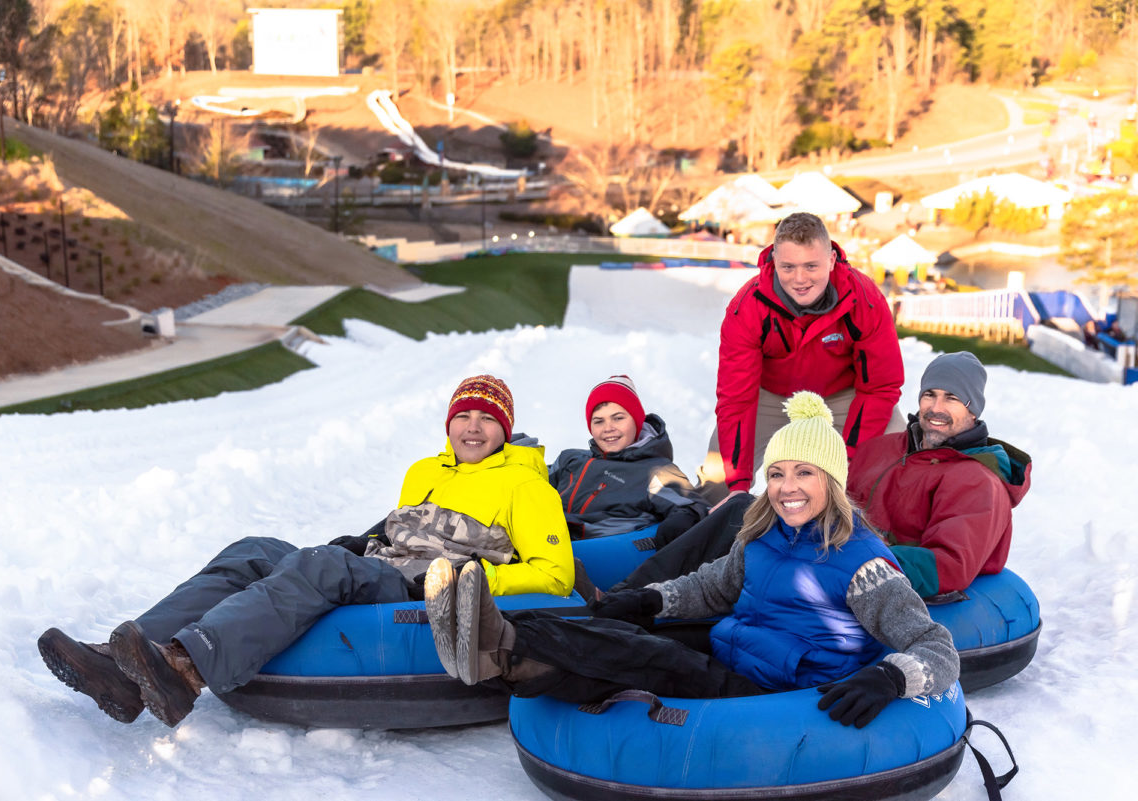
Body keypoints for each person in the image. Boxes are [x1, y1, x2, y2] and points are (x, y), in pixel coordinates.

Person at [37, 375, 574, 728]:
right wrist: (362, 545)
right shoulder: (424, 471)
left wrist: (465, 585)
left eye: (486, 419)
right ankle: (123, 665)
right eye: (464, 416)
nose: (473, 427)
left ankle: (183, 669)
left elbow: (555, 576)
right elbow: (397, 536)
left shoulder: (527, 487)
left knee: (322, 565)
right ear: (450, 423)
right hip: (384, 566)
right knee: (255, 550)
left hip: (426, 586)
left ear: (504, 429)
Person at [425, 392, 958, 729]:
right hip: (737, 651)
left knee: (657, 661)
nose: (787, 488)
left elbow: (936, 647)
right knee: (625, 637)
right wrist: (650, 598)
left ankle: (499, 644)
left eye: (804, 474)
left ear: (833, 482)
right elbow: (713, 587)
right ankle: (498, 640)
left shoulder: (863, 562)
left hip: (779, 691)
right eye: (776, 474)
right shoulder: (764, 534)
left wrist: (888, 679)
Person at [702, 212, 905, 506]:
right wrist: (737, 483)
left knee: (888, 456)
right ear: (773, 261)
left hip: (842, 396)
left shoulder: (865, 300)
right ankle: (710, 539)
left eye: (811, 266)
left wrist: (847, 460)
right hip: (773, 397)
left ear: (832, 259)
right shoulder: (747, 308)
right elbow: (736, 399)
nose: (800, 279)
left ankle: (879, 540)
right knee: (716, 477)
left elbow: (880, 387)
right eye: (788, 267)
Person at [848, 352, 1031, 597]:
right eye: (929, 395)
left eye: (952, 398)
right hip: (845, 566)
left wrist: (859, 557)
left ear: (973, 410)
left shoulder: (977, 481)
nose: (936, 408)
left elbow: (949, 565)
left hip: (905, 593)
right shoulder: (880, 449)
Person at [548, 375, 708, 547]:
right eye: (599, 421)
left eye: (618, 418)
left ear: (636, 420)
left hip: (603, 549)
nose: (608, 428)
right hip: (551, 539)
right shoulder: (571, 460)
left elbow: (691, 506)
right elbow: (531, 484)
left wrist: (682, 519)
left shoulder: (654, 470)